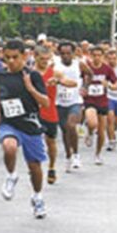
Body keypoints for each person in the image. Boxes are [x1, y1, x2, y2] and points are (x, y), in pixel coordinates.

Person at [0, 39, 49, 219]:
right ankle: (11, 176)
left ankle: (38, 197)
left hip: (30, 124)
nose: (10, 61)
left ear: (24, 56)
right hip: (9, 122)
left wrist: (31, 89)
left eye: (15, 57)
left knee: (34, 167)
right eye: (7, 57)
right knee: (9, 146)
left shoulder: (33, 76)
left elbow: (46, 103)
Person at [33, 46, 73, 184]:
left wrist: (59, 81)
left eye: (47, 59)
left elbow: (72, 83)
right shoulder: (29, 73)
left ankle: (51, 167)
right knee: (35, 140)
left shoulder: (55, 73)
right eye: (41, 59)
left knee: (51, 142)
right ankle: (35, 165)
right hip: (33, 112)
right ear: (35, 57)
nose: (44, 61)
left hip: (50, 111)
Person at [54, 42, 92, 172]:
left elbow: (89, 74)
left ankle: (76, 154)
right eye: (62, 53)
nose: (65, 56)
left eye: (68, 53)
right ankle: (68, 156)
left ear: (73, 53)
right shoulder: (55, 66)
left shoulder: (79, 64)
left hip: (75, 100)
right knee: (65, 131)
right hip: (59, 102)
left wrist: (85, 87)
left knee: (71, 126)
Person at [83, 46, 117, 165]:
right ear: (90, 55)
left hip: (102, 101)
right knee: (93, 122)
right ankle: (89, 131)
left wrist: (108, 84)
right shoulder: (86, 67)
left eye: (99, 55)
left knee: (102, 130)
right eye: (94, 55)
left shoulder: (107, 69)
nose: (97, 58)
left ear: (103, 56)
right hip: (89, 100)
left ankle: (97, 154)